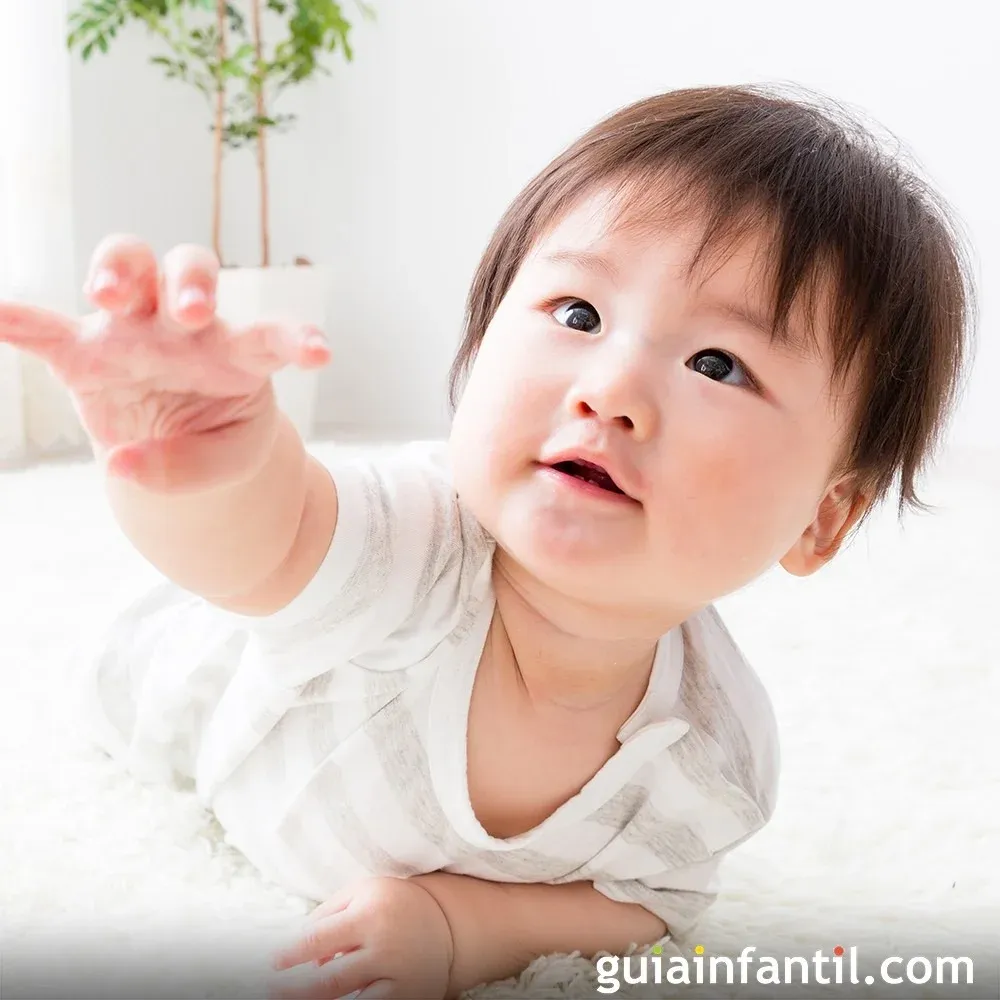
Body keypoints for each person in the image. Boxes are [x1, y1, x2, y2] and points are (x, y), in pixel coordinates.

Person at [0, 85, 973, 999]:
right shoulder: (407, 540)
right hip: (195, 688)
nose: (610, 390)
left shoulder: (709, 761)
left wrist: (458, 927)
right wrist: (202, 451)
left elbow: (650, 905)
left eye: (717, 364)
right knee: (168, 624)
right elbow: (262, 542)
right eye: (579, 314)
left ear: (821, 519)